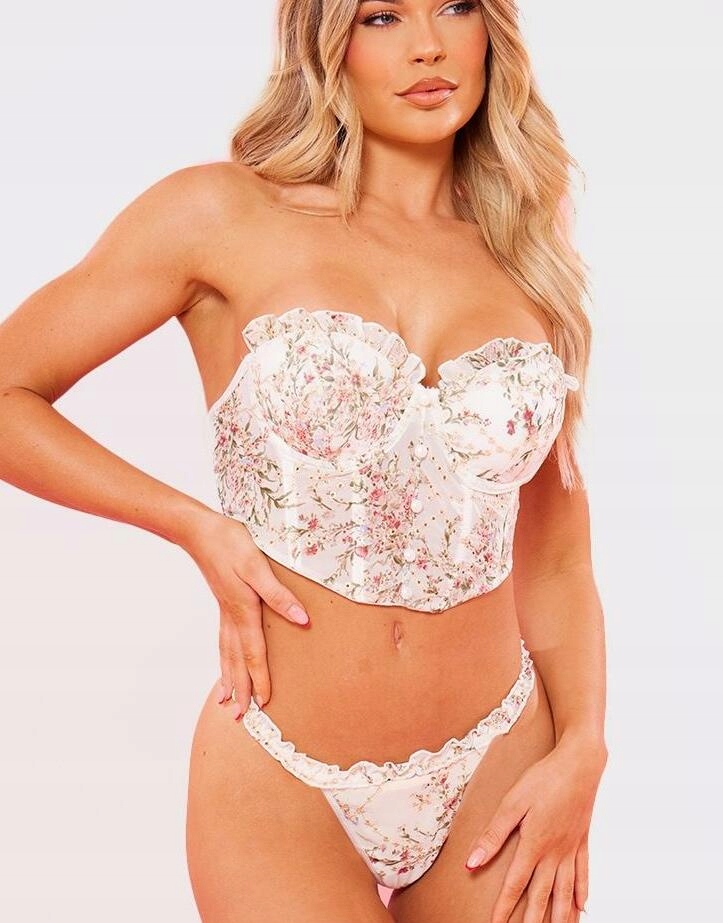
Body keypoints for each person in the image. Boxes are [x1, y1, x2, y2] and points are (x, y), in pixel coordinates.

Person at [0, 1, 608, 920]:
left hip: (501, 756)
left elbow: (555, 553)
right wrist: (192, 526)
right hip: (281, 774)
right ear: (325, 44)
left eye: (454, 7)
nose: (427, 46)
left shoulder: (524, 238)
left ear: (492, 30)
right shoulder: (219, 214)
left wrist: (583, 746)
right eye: (380, 17)